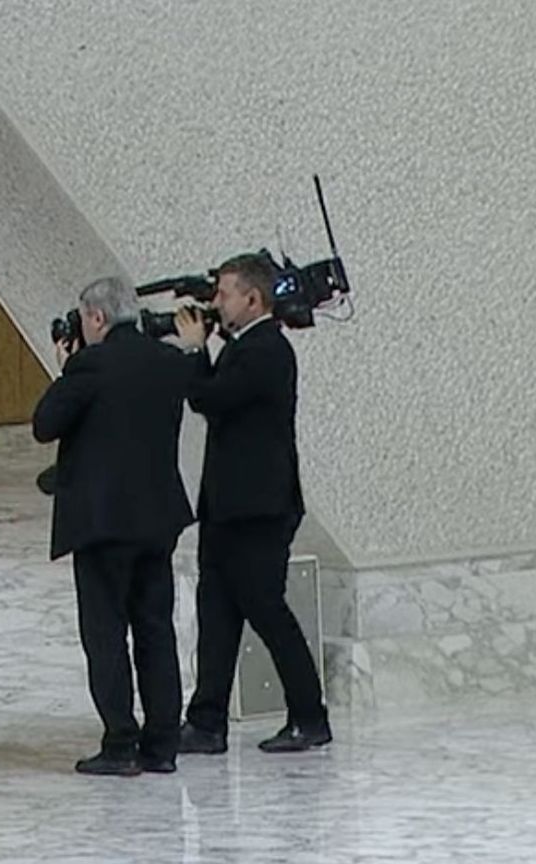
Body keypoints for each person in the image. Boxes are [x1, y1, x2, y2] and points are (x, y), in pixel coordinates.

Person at [32, 276, 195, 776]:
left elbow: (45, 425)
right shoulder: (168, 362)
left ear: (97, 318)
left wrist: (65, 372)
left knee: (105, 634)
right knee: (154, 629)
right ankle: (163, 744)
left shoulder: (89, 365)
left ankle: (120, 743)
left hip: (102, 524)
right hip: (157, 519)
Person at [173, 253, 331, 754]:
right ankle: (206, 722)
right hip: (227, 508)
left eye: (223, 294)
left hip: (259, 510)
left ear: (252, 298)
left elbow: (209, 398)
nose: (216, 303)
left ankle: (310, 716)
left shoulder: (268, 350)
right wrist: (211, 343)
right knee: (216, 611)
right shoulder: (245, 346)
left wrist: (195, 350)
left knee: (266, 609)